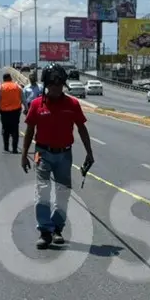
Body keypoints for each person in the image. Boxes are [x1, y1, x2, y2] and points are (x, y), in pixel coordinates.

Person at [20, 64, 94, 249]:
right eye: (52, 85)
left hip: (64, 154)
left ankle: (57, 229)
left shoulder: (72, 104)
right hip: (43, 153)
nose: (56, 88)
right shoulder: (37, 104)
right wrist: (23, 154)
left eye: (59, 84)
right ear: (45, 85)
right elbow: (29, 130)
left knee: (63, 193)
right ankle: (45, 232)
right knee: (43, 191)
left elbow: (82, 128)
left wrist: (89, 153)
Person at [0, 73, 24, 153]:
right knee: (15, 130)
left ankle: (6, 146)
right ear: (10, 78)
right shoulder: (17, 86)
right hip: (15, 112)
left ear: (4, 79)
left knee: (5, 129)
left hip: (4, 113)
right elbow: (23, 98)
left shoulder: (1, 87)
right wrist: (27, 108)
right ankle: (15, 148)